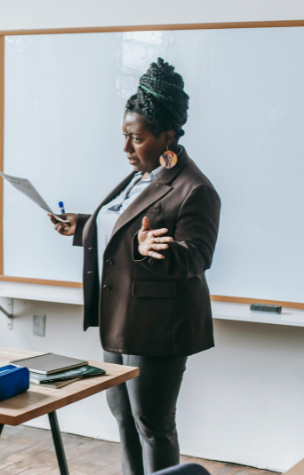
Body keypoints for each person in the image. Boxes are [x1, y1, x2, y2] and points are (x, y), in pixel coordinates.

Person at [48, 58, 221, 475]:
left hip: (159, 326)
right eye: (124, 136)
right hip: (120, 317)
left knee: (153, 425)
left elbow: (197, 257)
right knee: (123, 419)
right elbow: (124, 224)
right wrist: (84, 225)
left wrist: (149, 250)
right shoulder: (141, 175)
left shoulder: (195, 189)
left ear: (166, 137)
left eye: (135, 138)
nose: (126, 148)